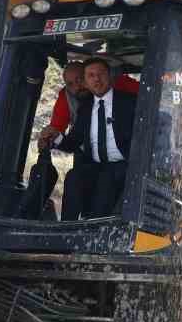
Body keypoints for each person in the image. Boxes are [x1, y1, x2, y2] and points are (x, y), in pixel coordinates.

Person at [56, 58, 139, 220]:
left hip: (122, 165)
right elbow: (74, 140)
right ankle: (65, 227)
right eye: (91, 75)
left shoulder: (129, 102)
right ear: (86, 82)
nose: (96, 79)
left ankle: (96, 229)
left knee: (105, 180)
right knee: (73, 177)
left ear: (109, 76)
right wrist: (57, 138)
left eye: (101, 74)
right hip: (95, 165)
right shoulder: (85, 108)